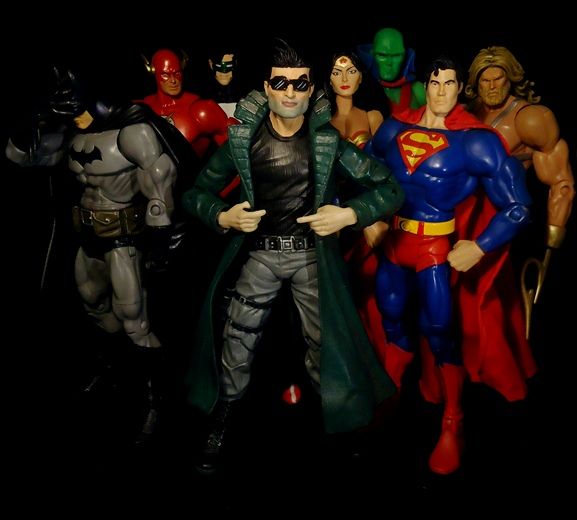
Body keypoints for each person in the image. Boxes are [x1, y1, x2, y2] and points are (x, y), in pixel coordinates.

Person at [181, 40, 404, 474]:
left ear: (311, 89)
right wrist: (223, 215)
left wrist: (348, 214)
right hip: (261, 254)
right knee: (238, 336)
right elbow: (194, 194)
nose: (289, 92)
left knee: (327, 343)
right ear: (266, 87)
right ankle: (224, 413)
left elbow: (390, 188)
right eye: (280, 83)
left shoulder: (327, 143)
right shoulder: (243, 142)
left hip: (310, 256)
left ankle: (340, 421)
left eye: (300, 84)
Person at [365, 56, 532, 475]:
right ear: (426, 86)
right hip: (393, 243)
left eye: (450, 83)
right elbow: (358, 171)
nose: (441, 91)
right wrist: (367, 218)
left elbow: (517, 206)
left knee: (440, 330)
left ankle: (453, 418)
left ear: (460, 89)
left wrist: (480, 246)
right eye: (435, 83)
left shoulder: (475, 142)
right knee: (391, 320)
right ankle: (389, 396)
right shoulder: (394, 128)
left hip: (435, 249)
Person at [6, 69, 187, 442]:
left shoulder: (132, 131)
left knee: (135, 320)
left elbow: (160, 185)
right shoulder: (72, 133)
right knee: (93, 304)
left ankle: (154, 397)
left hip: (124, 241)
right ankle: (115, 371)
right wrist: (30, 123)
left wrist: (161, 239)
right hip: (87, 237)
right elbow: (20, 158)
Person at [465, 46, 575, 335]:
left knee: (497, 311)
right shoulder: (465, 114)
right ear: (476, 82)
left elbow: (561, 183)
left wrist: (552, 239)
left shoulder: (529, 119)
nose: (491, 86)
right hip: (463, 218)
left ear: (510, 79)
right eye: (485, 80)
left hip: (506, 220)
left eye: (498, 79)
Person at [327, 50, 389, 354]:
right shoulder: (320, 121)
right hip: (332, 212)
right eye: (337, 72)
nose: (344, 78)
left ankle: (378, 351)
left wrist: (375, 215)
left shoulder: (372, 117)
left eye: (351, 71)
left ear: (362, 77)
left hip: (367, 210)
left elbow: (386, 172)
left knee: (374, 287)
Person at [141, 48, 229, 161]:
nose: (173, 80)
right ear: (154, 73)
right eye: (165, 75)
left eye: (177, 73)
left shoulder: (201, 109)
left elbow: (237, 147)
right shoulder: (143, 107)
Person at [357, 27, 426, 114]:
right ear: (372, 54)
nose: (389, 63)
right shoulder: (359, 91)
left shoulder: (417, 90)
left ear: (405, 55)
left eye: (396, 56)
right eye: (382, 55)